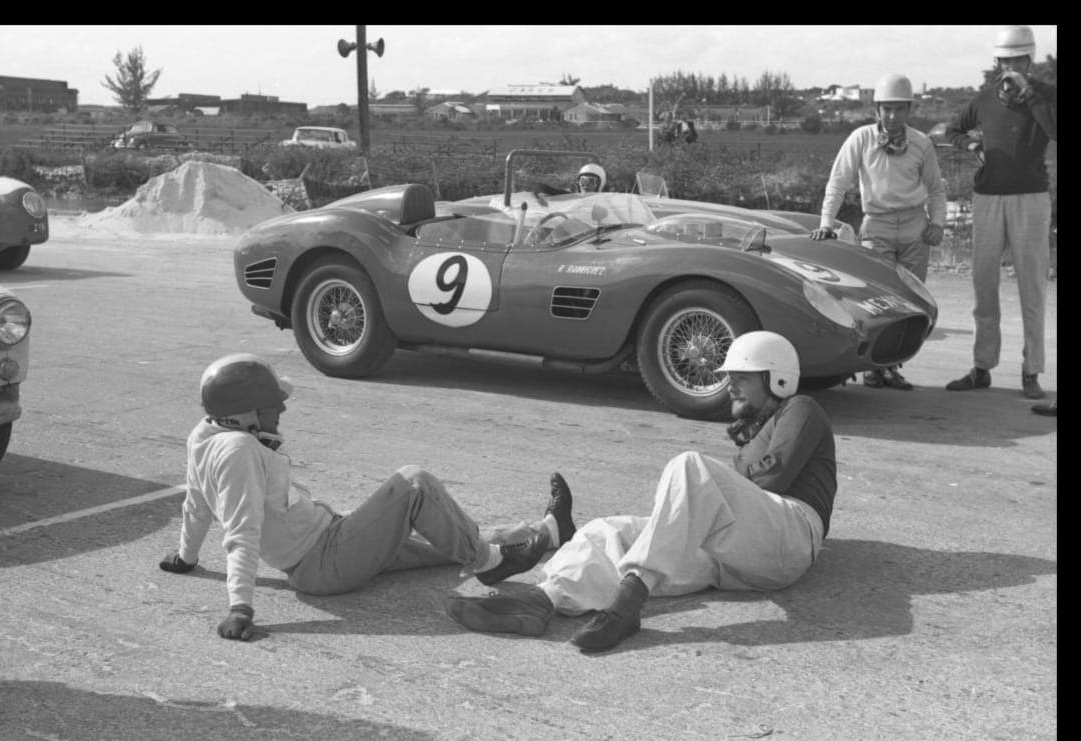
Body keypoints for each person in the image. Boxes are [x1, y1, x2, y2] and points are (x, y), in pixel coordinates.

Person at [445, 332, 836, 653]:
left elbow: (773, 478)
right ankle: (541, 601)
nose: (729, 383)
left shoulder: (800, 408)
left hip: (791, 537)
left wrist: (711, 490)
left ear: (777, 378)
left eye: (742, 376)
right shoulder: (753, 435)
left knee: (691, 466)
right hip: (734, 560)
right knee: (607, 531)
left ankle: (627, 605)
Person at [158, 353, 577, 641]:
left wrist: (186, 558)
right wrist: (240, 609)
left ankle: (549, 532)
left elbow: (195, 504)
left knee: (451, 534)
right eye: (272, 405)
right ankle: (492, 564)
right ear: (245, 414)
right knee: (415, 484)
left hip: (336, 542)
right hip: (327, 561)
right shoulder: (238, 451)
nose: (281, 412)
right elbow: (241, 531)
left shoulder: (204, 436)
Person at [811, 73, 947, 391]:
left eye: (900, 109)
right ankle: (873, 368)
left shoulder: (921, 144)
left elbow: (936, 190)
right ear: (877, 110)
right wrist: (826, 224)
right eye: (887, 109)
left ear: (909, 110)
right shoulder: (860, 139)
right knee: (878, 302)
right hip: (877, 225)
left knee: (910, 303)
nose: (893, 116)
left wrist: (937, 223)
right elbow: (839, 181)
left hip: (915, 227)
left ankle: (892, 367)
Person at [944, 26, 1056, 400]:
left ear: (1030, 59)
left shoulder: (1046, 95)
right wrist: (971, 143)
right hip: (988, 197)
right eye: (1006, 60)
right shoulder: (982, 99)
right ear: (997, 62)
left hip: (1031, 199)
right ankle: (981, 367)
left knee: (1032, 288)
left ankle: (1031, 371)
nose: (1012, 66)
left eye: (1019, 60)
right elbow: (953, 130)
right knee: (983, 286)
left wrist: (1032, 97)